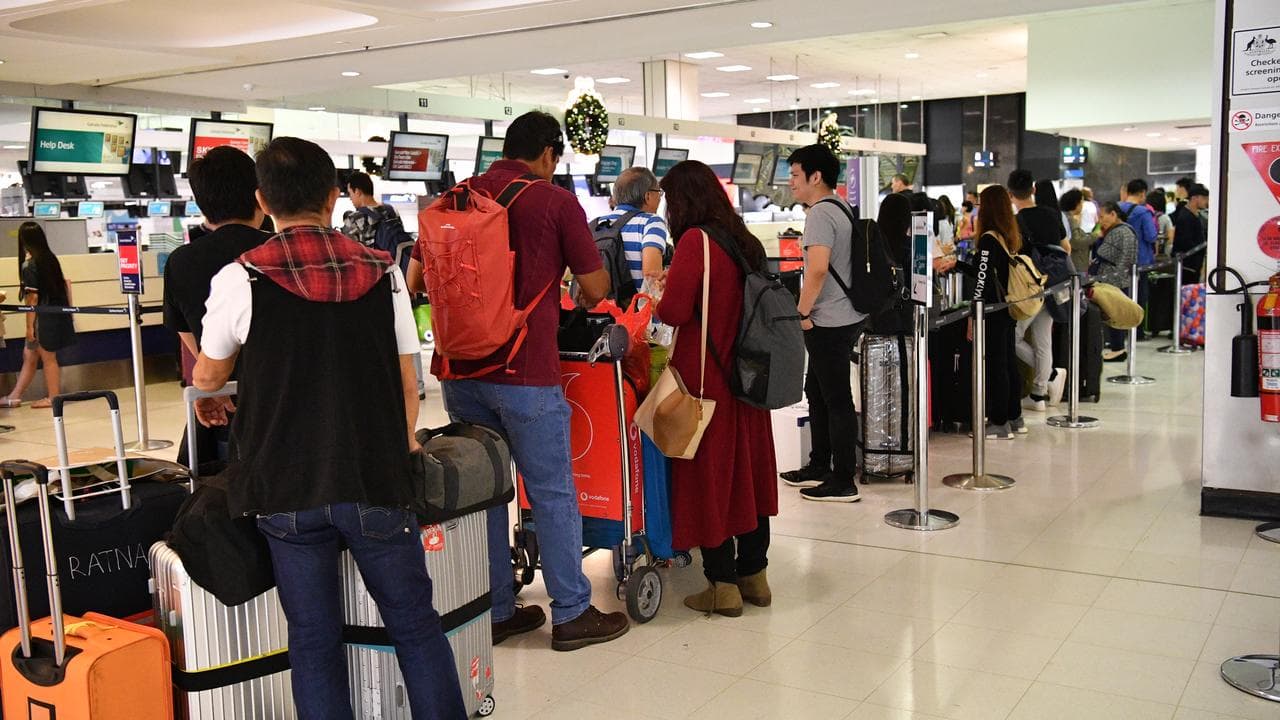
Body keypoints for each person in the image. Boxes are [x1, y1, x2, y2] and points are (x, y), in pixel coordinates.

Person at [192, 137, 466, 719]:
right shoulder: (383, 272)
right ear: (333, 196)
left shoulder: (240, 279)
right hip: (374, 477)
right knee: (416, 625)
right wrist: (401, 445)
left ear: (263, 201)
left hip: (284, 485)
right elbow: (408, 383)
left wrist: (213, 388)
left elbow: (209, 374)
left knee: (314, 639)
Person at [406, 111, 627, 651]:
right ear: (549, 153)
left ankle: (498, 609)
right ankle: (572, 612)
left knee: (485, 491)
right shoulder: (555, 201)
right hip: (526, 371)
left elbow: (414, 280)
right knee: (551, 491)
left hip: (461, 371)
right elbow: (597, 288)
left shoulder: (455, 199)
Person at [655, 160, 778, 616]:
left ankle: (722, 585)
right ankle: (755, 577)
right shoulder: (744, 240)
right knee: (749, 477)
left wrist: (666, 287)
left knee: (709, 480)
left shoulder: (695, 242)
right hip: (749, 380)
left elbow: (673, 312)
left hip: (707, 382)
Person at [161, 146, 269, 465]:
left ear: (201, 204)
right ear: (259, 195)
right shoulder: (277, 251)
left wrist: (215, 374)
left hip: (222, 401)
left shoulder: (182, 261)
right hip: (282, 401)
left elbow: (186, 330)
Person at [777, 144, 865, 502]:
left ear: (816, 177)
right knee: (817, 392)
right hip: (845, 314)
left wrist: (801, 312)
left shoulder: (819, 214)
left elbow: (816, 270)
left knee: (836, 398)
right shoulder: (840, 206)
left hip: (828, 319)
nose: (791, 181)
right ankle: (819, 464)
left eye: (795, 174)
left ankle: (843, 479)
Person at [342, 170, 426, 399]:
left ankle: (382, 383)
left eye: (350, 193)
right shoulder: (390, 211)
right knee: (406, 331)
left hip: (372, 285)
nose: (351, 198)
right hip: (397, 277)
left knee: (379, 333)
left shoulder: (355, 219)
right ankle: (417, 384)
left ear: (357, 191)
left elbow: (350, 256)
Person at [1007, 170, 1064, 418]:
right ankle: (1038, 394)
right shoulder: (1052, 215)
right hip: (1053, 283)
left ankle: (1049, 376)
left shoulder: (1016, 221)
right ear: (1033, 190)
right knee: (1043, 340)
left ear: (1011, 194)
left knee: (1013, 336)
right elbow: (1065, 247)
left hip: (1029, 288)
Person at [970, 185, 1023, 440]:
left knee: (996, 364)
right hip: (1007, 308)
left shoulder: (988, 239)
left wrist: (974, 313)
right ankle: (1014, 416)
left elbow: (981, 280)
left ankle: (999, 421)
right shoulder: (1007, 236)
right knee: (1009, 361)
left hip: (992, 310)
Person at [3, 223, 75, 409]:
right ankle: (14, 396)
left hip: (42, 319)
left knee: (48, 357)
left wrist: (29, 328)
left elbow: (32, 299)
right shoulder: (50, 259)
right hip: (54, 314)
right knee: (30, 355)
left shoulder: (29, 265)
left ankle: (53, 398)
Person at [595, 167, 669, 293]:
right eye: (659, 192)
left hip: (599, 303)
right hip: (635, 304)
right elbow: (651, 276)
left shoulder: (596, 225)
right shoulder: (651, 222)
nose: (660, 198)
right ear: (648, 196)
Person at [1093, 201, 1139, 362]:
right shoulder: (1129, 230)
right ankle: (1118, 347)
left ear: (1113, 214)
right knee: (1118, 313)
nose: (1100, 220)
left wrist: (1099, 238)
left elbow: (1102, 252)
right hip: (1124, 277)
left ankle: (1117, 348)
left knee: (1112, 314)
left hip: (1112, 278)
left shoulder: (1117, 232)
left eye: (1102, 216)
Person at [1119, 179, 1157, 339]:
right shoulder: (1143, 212)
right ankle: (1137, 331)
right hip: (1139, 259)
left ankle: (1119, 331)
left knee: (1120, 296)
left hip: (1118, 259)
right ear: (1142, 193)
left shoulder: (1115, 208)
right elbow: (1151, 235)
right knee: (1139, 296)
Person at [1171, 184, 1209, 282]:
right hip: (1187, 265)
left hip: (1194, 264)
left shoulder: (1197, 215)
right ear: (1194, 198)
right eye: (1204, 198)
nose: (1206, 202)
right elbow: (1184, 242)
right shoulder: (1185, 217)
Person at [1059, 189, 1093, 273]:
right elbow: (1076, 242)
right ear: (1076, 204)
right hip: (1076, 265)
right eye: (1081, 202)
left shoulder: (1063, 216)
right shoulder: (1069, 220)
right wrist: (1095, 235)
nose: (1082, 205)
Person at [1148, 190, 1174, 257]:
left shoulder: (1146, 215)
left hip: (1148, 251)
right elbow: (1170, 239)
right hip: (1162, 253)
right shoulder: (1165, 218)